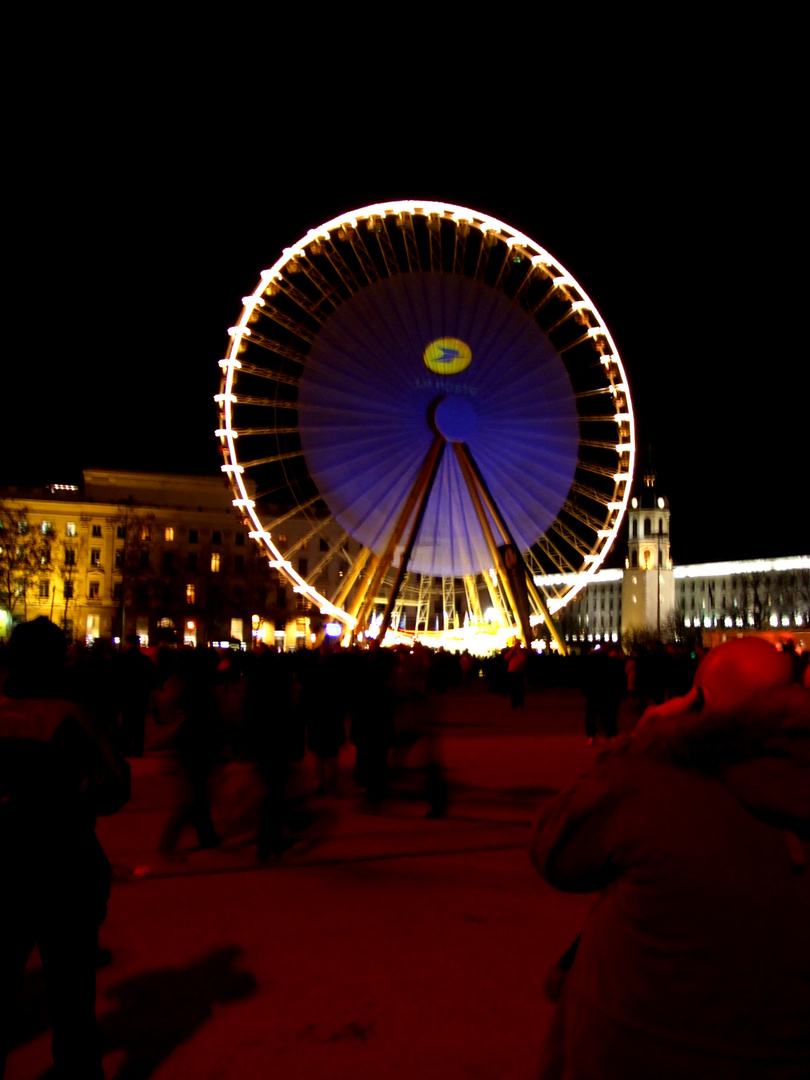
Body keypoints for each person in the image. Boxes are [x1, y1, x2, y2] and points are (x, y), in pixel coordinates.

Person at [529, 637, 810, 1079]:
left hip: (630, 1051)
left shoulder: (649, 783)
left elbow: (556, 850)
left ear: (697, 699)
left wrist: (642, 741)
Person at [1, 617, 130, 1079]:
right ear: (61, 659)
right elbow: (114, 789)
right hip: (65, 872)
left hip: (3, 872)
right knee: (73, 1003)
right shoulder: (75, 717)